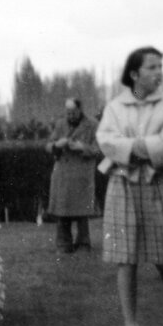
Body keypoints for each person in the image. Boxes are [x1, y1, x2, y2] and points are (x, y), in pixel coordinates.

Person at [96, 46, 163, 326]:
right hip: (122, 184)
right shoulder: (115, 107)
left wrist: (135, 147)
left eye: (160, 66)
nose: (158, 72)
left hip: (157, 182)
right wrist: (140, 147)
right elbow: (106, 140)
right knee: (126, 259)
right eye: (152, 67)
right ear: (134, 73)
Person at [45, 98, 99, 253]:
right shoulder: (60, 124)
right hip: (62, 173)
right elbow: (48, 145)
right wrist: (57, 145)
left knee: (82, 211)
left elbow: (99, 148)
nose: (70, 115)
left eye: (73, 112)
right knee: (62, 210)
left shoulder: (93, 125)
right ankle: (63, 244)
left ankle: (83, 243)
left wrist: (82, 147)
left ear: (80, 110)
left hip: (82, 174)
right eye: (68, 112)